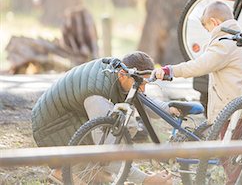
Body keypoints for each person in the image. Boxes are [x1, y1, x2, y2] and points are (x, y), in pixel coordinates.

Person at [153, 1, 242, 185]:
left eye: (207, 28)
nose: (208, 33)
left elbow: (199, 65)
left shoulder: (224, 43)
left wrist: (170, 71)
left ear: (214, 22)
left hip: (231, 113)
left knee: (233, 160)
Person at [31, 51, 174, 185]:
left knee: (125, 125)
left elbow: (143, 100)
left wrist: (170, 109)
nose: (142, 89)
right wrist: (146, 180)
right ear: (123, 75)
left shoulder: (119, 72)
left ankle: (94, 169)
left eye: (145, 84)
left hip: (64, 114)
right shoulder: (96, 98)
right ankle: (62, 171)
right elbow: (105, 150)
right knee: (119, 130)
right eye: (141, 84)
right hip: (52, 124)